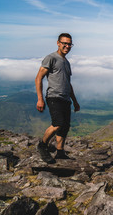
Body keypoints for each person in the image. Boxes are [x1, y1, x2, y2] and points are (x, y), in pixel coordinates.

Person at [35, 33, 80, 163]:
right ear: (58, 43)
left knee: (65, 126)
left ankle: (60, 152)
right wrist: (40, 98)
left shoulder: (66, 62)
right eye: (64, 43)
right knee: (57, 124)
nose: (67, 46)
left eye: (69, 44)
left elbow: (68, 83)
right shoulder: (51, 58)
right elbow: (38, 78)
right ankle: (42, 146)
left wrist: (75, 101)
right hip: (54, 96)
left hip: (65, 98)